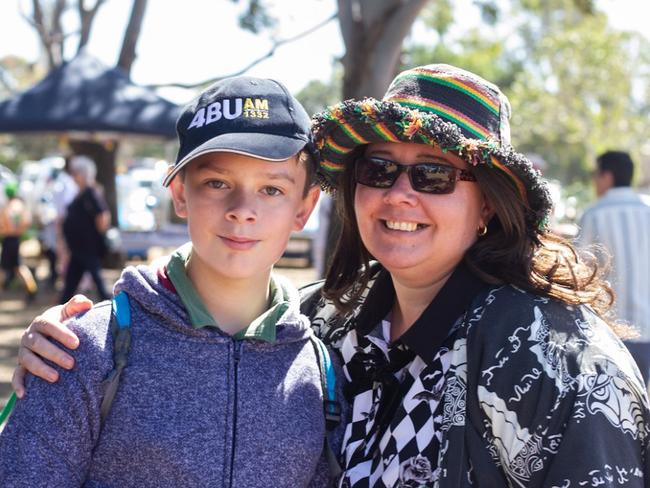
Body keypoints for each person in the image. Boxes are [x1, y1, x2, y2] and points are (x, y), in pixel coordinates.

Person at [10, 64, 650, 486]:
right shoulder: (325, 329)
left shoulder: (556, 354)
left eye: (432, 175)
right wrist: (68, 342)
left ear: (487, 202)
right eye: (378, 169)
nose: (399, 194)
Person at [0, 75, 344, 487]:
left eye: (271, 190)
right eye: (217, 183)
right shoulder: (84, 350)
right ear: (179, 192)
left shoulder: (322, 372)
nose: (242, 210)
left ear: (304, 208)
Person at [578, 150, 650, 389]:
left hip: (607, 332)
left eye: (595, 175)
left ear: (606, 176)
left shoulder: (594, 214)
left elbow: (580, 272)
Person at [59, 155, 112, 303]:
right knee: (71, 283)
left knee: (97, 279)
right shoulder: (80, 193)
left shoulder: (91, 192)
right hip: (78, 248)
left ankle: (110, 305)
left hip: (87, 246)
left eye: (75, 173)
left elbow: (102, 216)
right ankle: (61, 306)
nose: (73, 177)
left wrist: (96, 235)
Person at [0, 181, 37, 302]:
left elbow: (4, 223)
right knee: (18, 267)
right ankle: (32, 290)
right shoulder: (21, 205)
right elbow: (27, 221)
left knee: (5, 268)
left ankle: (31, 290)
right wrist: (19, 230)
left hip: (9, 239)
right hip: (16, 239)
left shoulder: (8, 206)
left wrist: (7, 229)